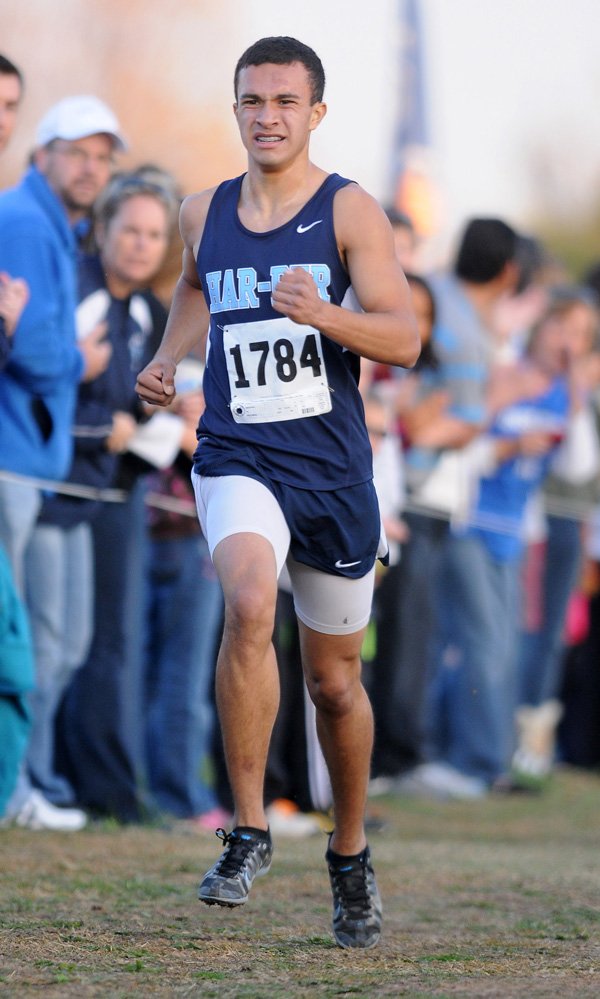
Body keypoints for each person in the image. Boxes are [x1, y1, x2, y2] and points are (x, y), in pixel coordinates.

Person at [136, 36, 419, 949]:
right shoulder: (201, 210)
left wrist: (322, 313)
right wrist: (169, 356)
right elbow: (190, 287)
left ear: (315, 113)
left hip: (332, 474)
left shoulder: (350, 211)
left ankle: (349, 851)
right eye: (253, 100)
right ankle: (249, 830)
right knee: (249, 602)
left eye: (285, 102)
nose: (267, 115)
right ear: (237, 109)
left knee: (337, 685)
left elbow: (405, 338)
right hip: (235, 453)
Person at [29, 171, 180, 824]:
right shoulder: (77, 291)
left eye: (155, 234)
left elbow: (137, 404)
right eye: (132, 231)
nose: (143, 245)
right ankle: (41, 780)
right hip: (56, 493)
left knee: (100, 643)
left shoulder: (149, 309)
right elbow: (44, 391)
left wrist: (160, 417)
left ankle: (99, 784)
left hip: (118, 494)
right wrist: (104, 429)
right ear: (104, 229)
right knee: (53, 642)